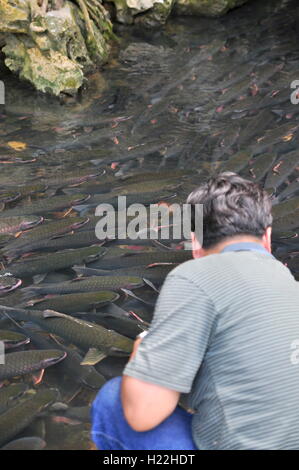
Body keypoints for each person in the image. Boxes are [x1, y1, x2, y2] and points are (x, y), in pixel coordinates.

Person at [91, 171, 299, 450]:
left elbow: (142, 415)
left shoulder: (193, 276)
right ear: (267, 237)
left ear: (196, 243)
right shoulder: (290, 284)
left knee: (112, 400)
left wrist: (142, 353)